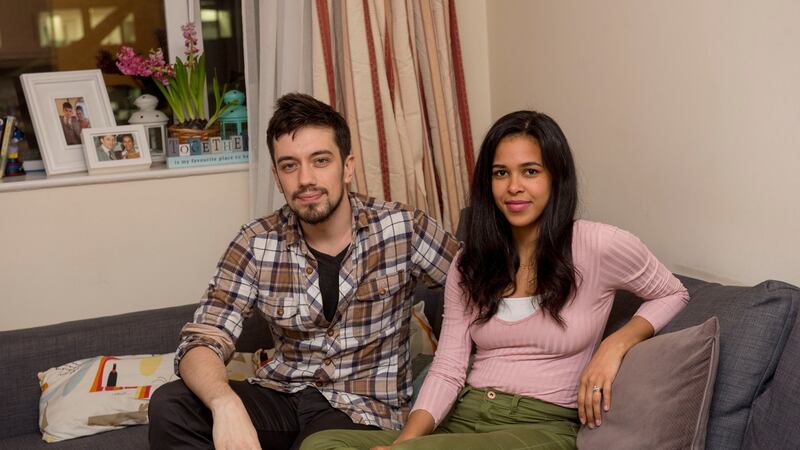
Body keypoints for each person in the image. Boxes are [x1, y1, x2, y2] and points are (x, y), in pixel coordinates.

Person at [301, 110, 690, 450]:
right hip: (466, 415)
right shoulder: (471, 262)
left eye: (530, 172)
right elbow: (449, 366)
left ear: (557, 178)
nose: (513, 187)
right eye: (501, 173)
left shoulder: (599, 245)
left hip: (542, 425)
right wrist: (404, 440)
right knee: (323, 443)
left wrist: (613, 346)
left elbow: (672, 292)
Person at [147, 93, 461, 450]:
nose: (306, 179)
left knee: (318, 446)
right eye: (289, 165)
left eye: (320, 160)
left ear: (348, 166)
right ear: (277, 177)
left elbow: (479, 291)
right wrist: (224, 403)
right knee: (170, 405)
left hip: (363, 410)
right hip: (285, 395)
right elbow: (203, 340)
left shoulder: (403, 228)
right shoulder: (255, 242)